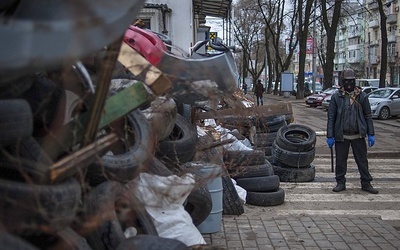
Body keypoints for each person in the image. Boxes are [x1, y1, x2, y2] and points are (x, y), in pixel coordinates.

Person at [326, 69, 378, 194]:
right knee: (340, 162)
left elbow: (368, 115)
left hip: (358, 135)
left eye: (351, 81)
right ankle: (340, 182)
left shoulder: (362, 96)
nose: (349, 84)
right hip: (341, 135)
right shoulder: (336, 97)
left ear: (355, 81)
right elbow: (331, 117)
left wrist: (371, 133)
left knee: (362, 161)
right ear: (342, 82)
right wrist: (330, 135)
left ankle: (366, 183)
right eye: (346, 81)